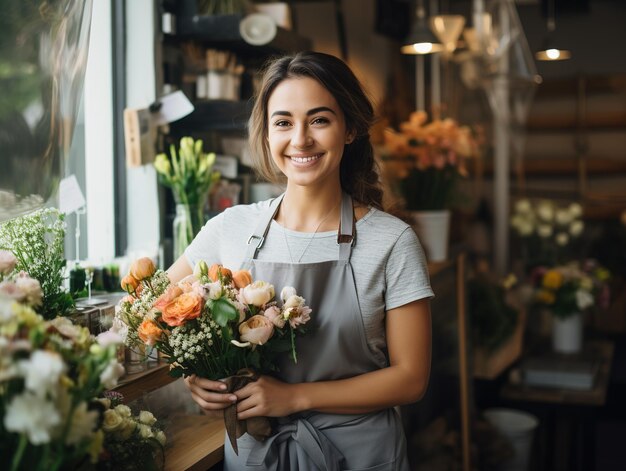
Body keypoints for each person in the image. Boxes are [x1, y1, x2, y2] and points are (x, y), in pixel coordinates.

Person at [166, 51, 433, 470]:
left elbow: (411, 378)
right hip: (258, 455)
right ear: (268, 134)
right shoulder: (231, 229)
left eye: (320, 120)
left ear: (350, 130)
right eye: (284, 122)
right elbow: (155, 314)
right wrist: (195, 376)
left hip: (358, 456)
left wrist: (295, 397)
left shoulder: (391, 241)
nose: (301, 139)